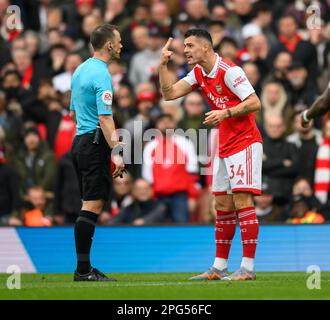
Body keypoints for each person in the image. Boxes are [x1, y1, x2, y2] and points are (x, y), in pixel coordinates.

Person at [159, 29, 262, 281]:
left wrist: (225, 113)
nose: (185, 50)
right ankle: (219, 266)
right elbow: (169, 94)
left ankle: (247, 268)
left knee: (242, 203)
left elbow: (254, 102)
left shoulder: (230, 71)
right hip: (225, 143)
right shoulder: (197, 73)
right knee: (222, 205)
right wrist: (163, 66)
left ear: (206, 47)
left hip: (245, 142)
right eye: (185, 46)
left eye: (190, 45)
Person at [70, 24, 125, 282]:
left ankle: (84, 268)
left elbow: (74, 111)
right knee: (92, 204)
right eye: (119, 41)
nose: (122, 45)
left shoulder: (80, 70)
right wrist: (116, 150)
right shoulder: (102, 75)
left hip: (80, 140)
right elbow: (104, 117)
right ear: (109, 45)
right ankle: (82, 270)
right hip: (93, 142)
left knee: (91, 203)